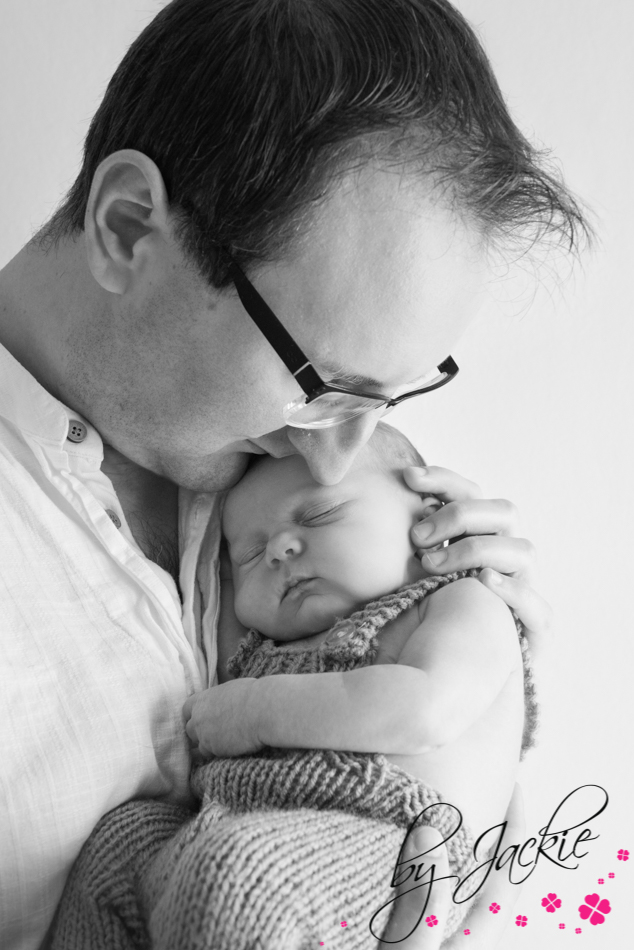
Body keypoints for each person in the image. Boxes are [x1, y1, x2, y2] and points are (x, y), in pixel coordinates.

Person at [0, 1, 589, 947]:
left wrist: (472, 716)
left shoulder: (301, 506)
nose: (337, 453)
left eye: (388, 402)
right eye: (322, 386)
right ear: (125, 228)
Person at [50, 424, 535, 948]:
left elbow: (425, 710)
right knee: (118, 844)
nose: (279, 550)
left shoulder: (459, 601)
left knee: (241, 878)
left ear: (432, 521)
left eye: (320, 514)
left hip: (385, 841)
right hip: (228, 822)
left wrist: (259, 710)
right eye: (249, 556)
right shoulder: (264, 642)